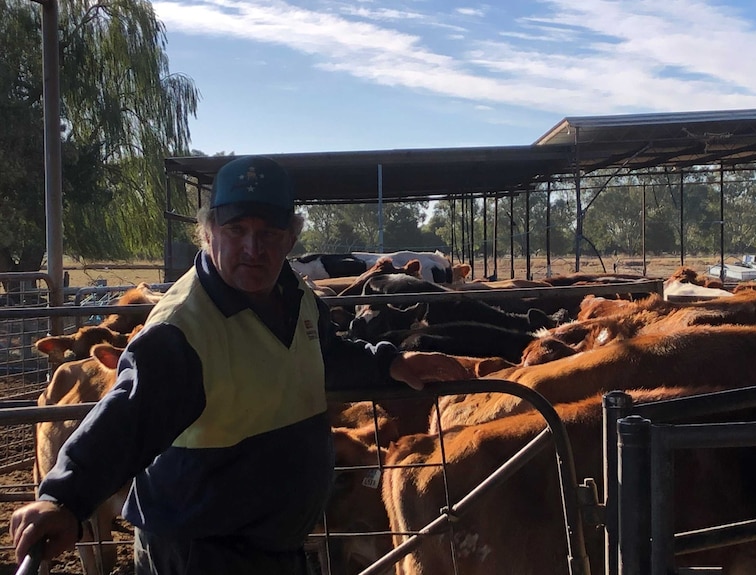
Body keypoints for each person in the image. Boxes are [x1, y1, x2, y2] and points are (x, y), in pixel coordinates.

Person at [10, 155, 468, 574]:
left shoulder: (295, 295)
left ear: (291, 237)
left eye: (269, 233)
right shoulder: (183, 328)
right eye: (236, 230)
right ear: (209, 233)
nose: (254, 246)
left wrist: (391, 363)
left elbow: (325, 355)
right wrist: (62, 498)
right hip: (200, 550)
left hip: (272, 542)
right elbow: (126, 417)